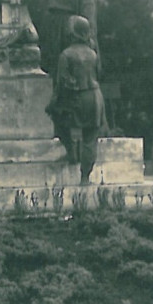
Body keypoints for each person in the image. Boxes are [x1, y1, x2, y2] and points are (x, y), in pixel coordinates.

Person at [46, 16, 108, 182]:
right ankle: (85, 178)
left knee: (58, 120)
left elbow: (62, 82)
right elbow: (100, 74)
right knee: (90, 138)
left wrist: (54, 102)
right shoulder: (93, 54)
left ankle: (71, 152)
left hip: (77, 97)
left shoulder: (66, 55)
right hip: (95, 97)